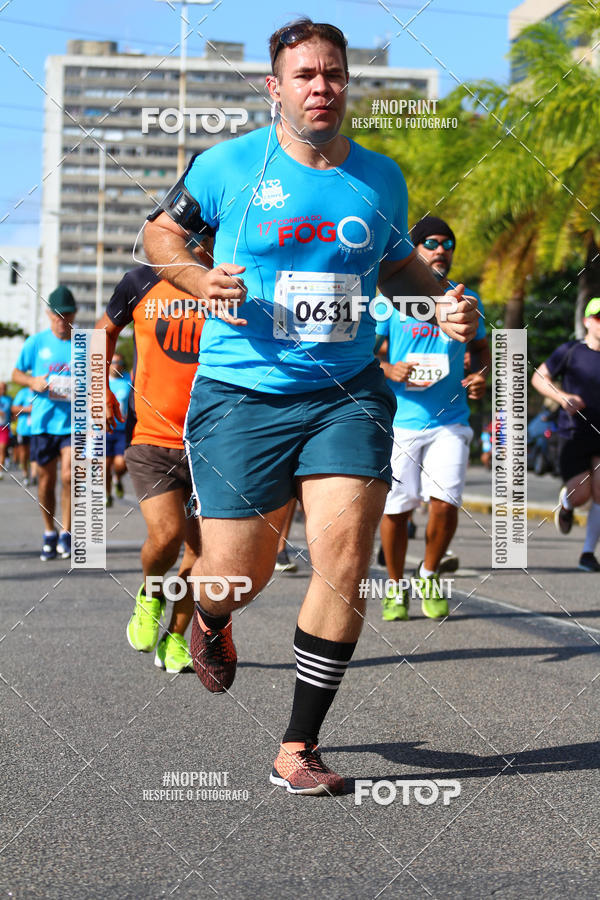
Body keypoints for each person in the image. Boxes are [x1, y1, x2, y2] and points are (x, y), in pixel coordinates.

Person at [143, 18, 478, 795]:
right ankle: (209, 618)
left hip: (348, 394)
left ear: (346, 84)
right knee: (237, 577)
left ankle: (298, 747)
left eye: (333, 73)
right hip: (242, 394)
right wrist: (196, 278)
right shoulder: (227, 165)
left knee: (344, 563)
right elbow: (159, 236)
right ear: (276, 87)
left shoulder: (380, 177)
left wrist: (440, 301)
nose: (321, 86)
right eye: (305, 75)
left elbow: (396, 265)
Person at [375, 216, 490, 621]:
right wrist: (388, 369)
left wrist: (480, 375)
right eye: (431, 242)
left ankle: (428, 573)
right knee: (397, 509)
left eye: (448, 243)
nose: (441, 249)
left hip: (451, 419)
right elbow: (365, 350)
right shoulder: (389, 299)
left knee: (446, 502)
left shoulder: (467, 298)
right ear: (414, 250)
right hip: (402, 422)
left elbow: (481, 347)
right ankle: (394, 586)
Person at [95, 263, 204, 672]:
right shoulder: (142, 281)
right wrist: (100, 388)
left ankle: (175, 638)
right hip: (151, 438)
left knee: (205, 553)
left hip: (214, 443)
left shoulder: (232, 280)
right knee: (168, 536)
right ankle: (151, 593)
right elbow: (101, 333)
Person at [531, 297, 600, 572]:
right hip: (574, 434)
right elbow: (539, 377)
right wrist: (563, 398)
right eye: (598, 318)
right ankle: (568, 503)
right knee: (582, 494)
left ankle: (587, 554)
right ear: (587, 322)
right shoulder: (570, 351)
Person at [12, 286, 76, 560]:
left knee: (69, 476)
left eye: (67, 315)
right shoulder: (36, 342)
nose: (62, 320)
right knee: (46, 481)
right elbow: (16, 373)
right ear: (49, 314)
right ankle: (50, 531)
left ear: (74, 314)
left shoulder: (84, 344)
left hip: (74, 423)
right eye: (57, 315)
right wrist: (32, 381)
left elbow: (99, 374)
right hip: (43, 423)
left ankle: (67, 532)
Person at [105, 352, 131, 507]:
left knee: (122, 463)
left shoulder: (128, 379)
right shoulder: (101, 381)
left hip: (122, 429)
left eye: (119, 363)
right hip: (103, 429)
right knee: (104, 466)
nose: (116, 365)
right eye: (113, 362)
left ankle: (117, 478)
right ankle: (107, 495)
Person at [11, 385, 36, 484]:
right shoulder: (23, 392)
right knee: (24, 453)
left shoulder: (43, 392)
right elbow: (13, 408)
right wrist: (27, 409)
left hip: (38, 429)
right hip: (23, 429)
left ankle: (34, 475)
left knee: (35, 452)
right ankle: (25, 473)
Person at [0, 382, 12, 477]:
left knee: (2, 449)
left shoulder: (8, 399)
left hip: (4, 427)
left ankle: (0, 471)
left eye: (4, 388)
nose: (2, 390)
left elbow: (4, 412)